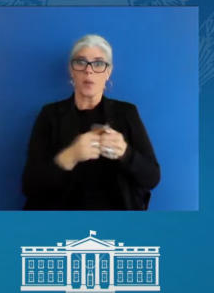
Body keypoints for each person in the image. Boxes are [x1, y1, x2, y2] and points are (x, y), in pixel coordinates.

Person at [22, 34, 159, 210]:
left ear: (108, 72)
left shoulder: (126, 113)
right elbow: (29, 186)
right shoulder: (50, 115)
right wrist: (69, 156)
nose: (89, 70)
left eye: (98, 63)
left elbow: (152, 178)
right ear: (72, 71)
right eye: (80, 62)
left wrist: (125, 153)